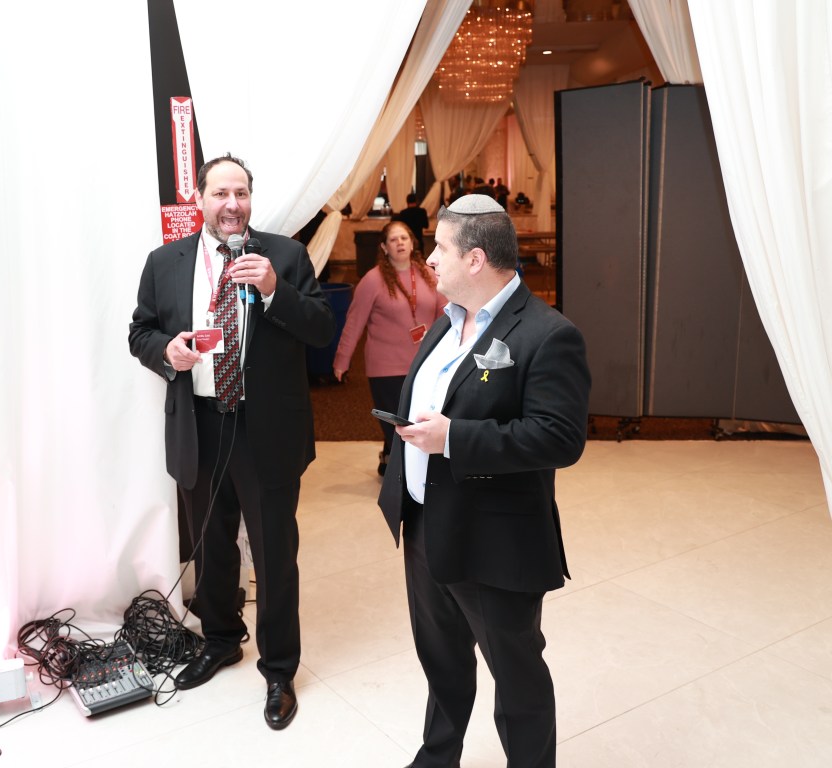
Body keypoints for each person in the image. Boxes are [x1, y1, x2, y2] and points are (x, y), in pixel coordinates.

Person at [377, 194, 591, 767]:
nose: (429, 259)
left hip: (495, 541)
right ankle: (437, 757)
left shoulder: (548, 334)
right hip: (426, 526)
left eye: (440, 248)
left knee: (516, 678)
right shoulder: (445, 324)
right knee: (442, 661)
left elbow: (559, 438)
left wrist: (454, 438)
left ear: (475, 259)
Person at [128, 153, 335, 730]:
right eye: (220, 193)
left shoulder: (285, 256)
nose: (232, 204)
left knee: (273, 553)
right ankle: (221, 640)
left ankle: (279, 669)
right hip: (199, 423)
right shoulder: (164, 262)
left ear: (250, 199)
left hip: (264, 427)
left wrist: (273, 290)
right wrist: (167, 351)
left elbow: (321, 328)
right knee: (211, 544)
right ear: (199, 199)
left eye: (241, 193)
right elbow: (140, 331)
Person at [332, 221, 445, 476]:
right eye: (393, 240)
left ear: (413, 243)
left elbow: (445, 313)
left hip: (423, 365)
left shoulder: (429, 274)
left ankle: (389, 461)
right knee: (398, 424)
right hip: (386, 368)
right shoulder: (373, 280)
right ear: (384, 247)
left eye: (404, 238)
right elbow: (354, 322)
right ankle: (403, 475)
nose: (400, 243)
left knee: (418, 420)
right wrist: (342, 359)